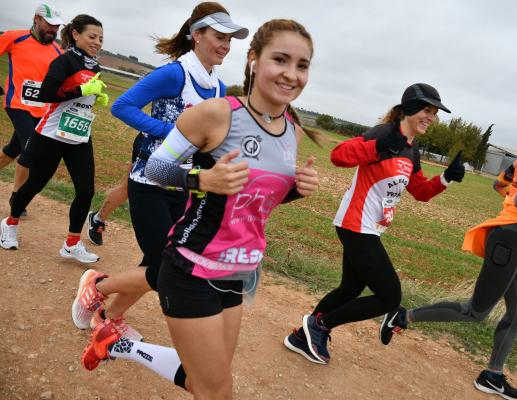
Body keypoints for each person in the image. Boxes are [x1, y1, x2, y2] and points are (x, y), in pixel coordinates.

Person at [79, 19, 320, 399]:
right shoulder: (216, 112)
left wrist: (295, 191)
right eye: (281, 60)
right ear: (254, 60)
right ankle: (107, 317)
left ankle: (118, 345)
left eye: (302, 65)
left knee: (205, 380)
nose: (292, 74)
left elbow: (255, 199)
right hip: (192, 268)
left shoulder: (289, 127)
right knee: (217, 391)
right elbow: (155, 167)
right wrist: (202, 180)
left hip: (238, 272)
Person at [380, 91, 517, 400]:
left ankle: (492, 375)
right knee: (475, 312)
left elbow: (502, 184)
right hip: (511, 238)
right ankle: (403, 316)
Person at [70, 3, 249, 340]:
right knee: (165, 266)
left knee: (156, 262)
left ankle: (107, 315)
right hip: (149, 182)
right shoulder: (175, 74)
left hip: (183, 188)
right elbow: (124, 106)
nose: (226, 45)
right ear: (197, 36)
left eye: (230, 39)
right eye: (220, 36)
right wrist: (172, 132)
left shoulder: (217, 87)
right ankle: (97, 286)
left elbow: (208, 139)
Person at [284, 83, 465, 365]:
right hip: (356, 223)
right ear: (409, 109)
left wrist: (446, 179)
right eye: (427, 110)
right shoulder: (384, 134)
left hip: (369, 227)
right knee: (390, 297)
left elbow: (420, 192)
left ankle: (301, 337)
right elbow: (338, 156)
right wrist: (377, 146)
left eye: (435, 112)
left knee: (350, 289)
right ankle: (319, 327)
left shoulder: (411, 150)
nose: (432, 117)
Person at [0, 14, 108, 261]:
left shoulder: (96, 66)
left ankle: (71, 243)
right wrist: (81, 90)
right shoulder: (64, 61)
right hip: (52, 133)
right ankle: (10, 222)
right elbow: (46, 93)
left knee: (85, 190)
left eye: (101, 38)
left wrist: (95, 97)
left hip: (79, 134)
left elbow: (83, 97)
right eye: (92, 37)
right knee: (36, 183)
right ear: (75, 35)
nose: (97, 42)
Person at [0, 4, 64, 217]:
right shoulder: (14, 37)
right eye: (49, 25)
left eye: (56, 27)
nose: (53, 31)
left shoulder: (58, 52)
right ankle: (17, 196)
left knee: (12, 149)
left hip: (41, 112)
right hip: (17, 104)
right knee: (31, 149)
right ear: (36, 19)